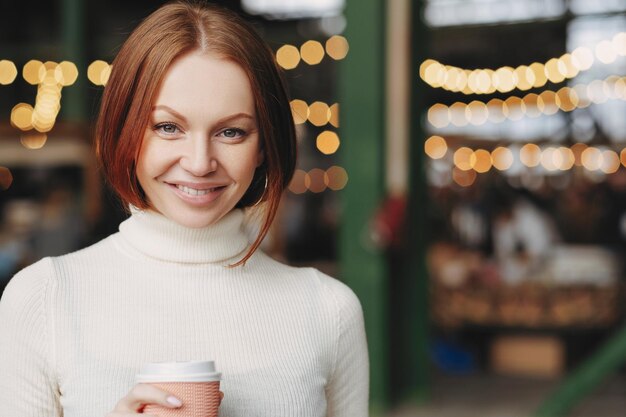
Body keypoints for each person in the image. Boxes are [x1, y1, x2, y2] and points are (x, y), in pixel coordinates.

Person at [0, 2, 369, 416]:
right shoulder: (44, 299)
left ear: (263, 145)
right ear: (127, 131)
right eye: (168, 127)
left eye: (231, 132)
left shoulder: (328, 311)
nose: (199, 162)